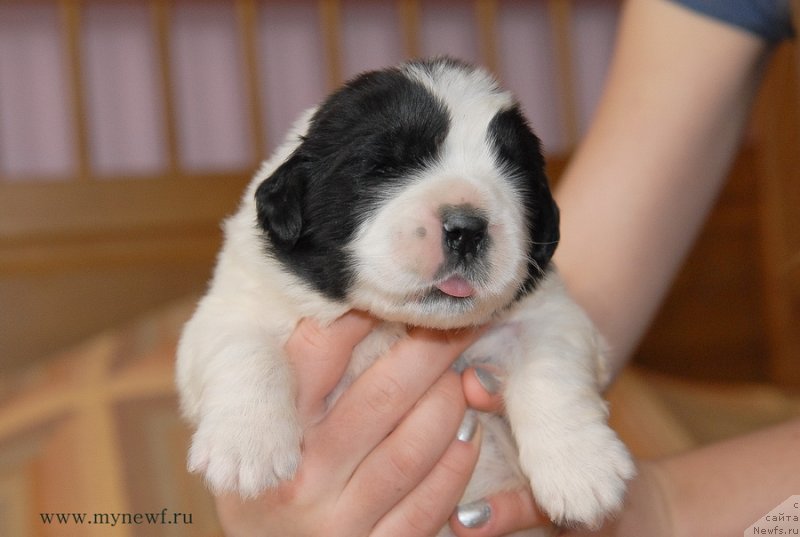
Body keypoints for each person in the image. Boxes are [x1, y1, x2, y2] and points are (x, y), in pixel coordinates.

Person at [214, 0, 800, 535]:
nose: (463, 223)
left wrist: (603, 461)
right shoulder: (262, 269)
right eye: (385, 169)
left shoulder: (521, 278)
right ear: (294, 200)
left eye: (508, 184)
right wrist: (250, 409)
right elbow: (224, 335)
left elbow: (554, 317)